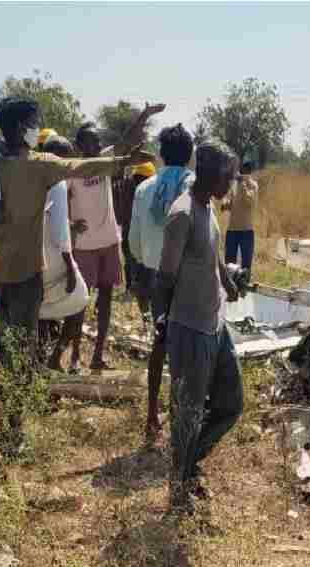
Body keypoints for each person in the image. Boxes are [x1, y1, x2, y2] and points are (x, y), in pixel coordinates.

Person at [0, 96, 154, 452]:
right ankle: (13, 431)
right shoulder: (39, 165)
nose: (35, 127)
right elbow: (84, 166)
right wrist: (122, 161)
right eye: (33, 121)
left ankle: (6, 419)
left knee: (7, 348)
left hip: (1, 272)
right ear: (21, 127)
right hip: (27, 275)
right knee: (22, 352)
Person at [156, 141, 243, 514]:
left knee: (231, 404)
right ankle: (179, 485)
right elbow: (163, 278)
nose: (232, 182)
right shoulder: (182, 215)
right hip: (190, 327)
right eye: (228, 175)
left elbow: (215, 255)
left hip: (215, 324)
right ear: (209, 172)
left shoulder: (208, 208)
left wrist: (227, 280)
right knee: (187, 413)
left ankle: (190, 464)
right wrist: (162, 324)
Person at [129, 123, 196, 444]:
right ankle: (184, 417)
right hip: (190, 277)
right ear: (190, 154)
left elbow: (135, 244)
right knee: (191, 347)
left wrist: (148, 267)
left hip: (157, 276)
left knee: (160, 344)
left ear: (162, 153)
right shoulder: (195, 186)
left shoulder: (145, 190)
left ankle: (152, 415)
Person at [57, 121, 137, 373]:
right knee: (80, 303)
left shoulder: (104, 161)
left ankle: (98, 355)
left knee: (106, 302)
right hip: (84, 247)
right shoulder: (73, 170)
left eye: (100, 141)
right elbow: (58, 200)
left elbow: (126, 139)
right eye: (94, 141)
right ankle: (74, 357)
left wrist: (144, 115)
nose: (99, 144)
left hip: (109, 242)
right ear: (81, 146)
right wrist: (69, 223)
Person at [35, 134, 86, 362]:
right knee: (79, 302)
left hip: (32, 254)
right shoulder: (58, 183)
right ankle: (55, 357)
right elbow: (58, 228)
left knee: (40, 307)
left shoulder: (31, 177)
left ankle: (38, 358)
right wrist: (70, 266)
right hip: (55, 256)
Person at [117, 161, 153, 306]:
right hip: (140, 233)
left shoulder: (127, 186)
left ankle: (131, 286)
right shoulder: (146, 191)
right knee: (141, 262)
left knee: (130, 261)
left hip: (127, 231)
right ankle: (138, 287)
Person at [222, 160, 258, 269]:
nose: (242, 172)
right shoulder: (234, 185)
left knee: (246, 265)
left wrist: (242, 183)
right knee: (229, 264)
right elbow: (231, 203)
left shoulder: (253, 185)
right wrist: (225, 204)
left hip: (246, 230)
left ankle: (244, 284)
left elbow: (249, 202)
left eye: (245, 170)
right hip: (232, 230)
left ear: (249, 171)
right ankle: (231, 285)